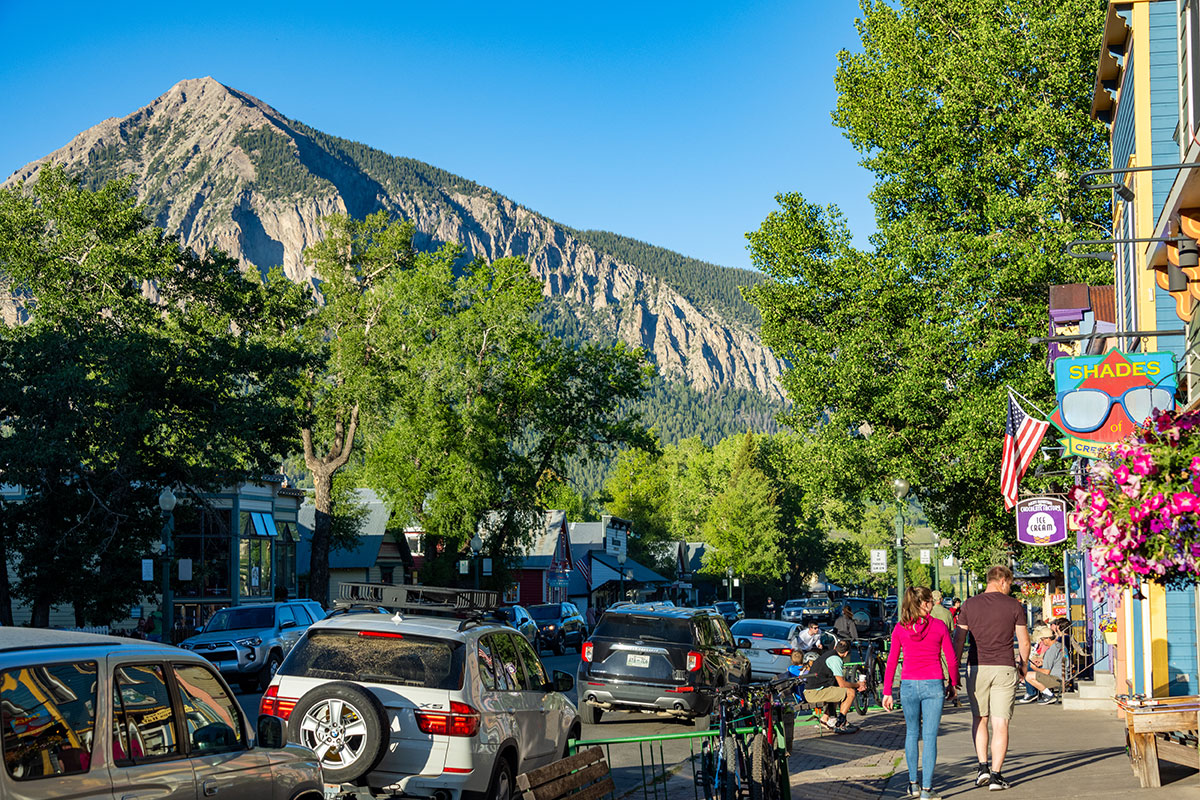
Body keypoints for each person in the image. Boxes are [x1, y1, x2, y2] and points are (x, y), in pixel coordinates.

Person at [953, 565, 1031, 792]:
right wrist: (1023, 666)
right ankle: (996, 775)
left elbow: (959, 639)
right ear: (1003, 581)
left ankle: (982, 768)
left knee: (980, 719)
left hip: (977, 668)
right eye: (1010, 583)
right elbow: (1024, 642)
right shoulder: (1014, 606)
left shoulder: (968, 605)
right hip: (1004, 668)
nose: (1010, 587)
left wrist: (955, 668)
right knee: (1001, 723)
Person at [883, 586, 958, 800]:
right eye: (930, 601)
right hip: (933, 682)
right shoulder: (939, 626)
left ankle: (913, 784)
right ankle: (927, 790)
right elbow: (951, 659)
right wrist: (954, 682)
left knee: (912, 733)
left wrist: (887, 690)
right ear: (924, 603)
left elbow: (891, 662)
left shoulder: (900, 628)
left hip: (908, 683)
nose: (933, 604)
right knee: (930, 736)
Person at [803, 639, 863, 734]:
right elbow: (842, 684)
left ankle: (825, 718)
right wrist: (857, 685)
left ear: (835, 647)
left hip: (812, 690)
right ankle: (840, 724)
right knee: (850, 692)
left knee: (837, 691)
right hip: (814, 693)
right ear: (846, 653)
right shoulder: (836, 660)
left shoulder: (830, 654)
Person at [1019, 626, 1063, 705]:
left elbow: (1046, 672)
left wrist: (1035, 668)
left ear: (1048, 639)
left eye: (1042, 639)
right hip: (1061, 676)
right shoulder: (1058, 645)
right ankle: (1033, 692)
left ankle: (1047, 694)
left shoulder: (1051, 650)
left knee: (1028, 675)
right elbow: (1055, 662)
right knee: (1029, 668)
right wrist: (1042, 661)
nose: (1042, 642)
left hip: (1057, 679)